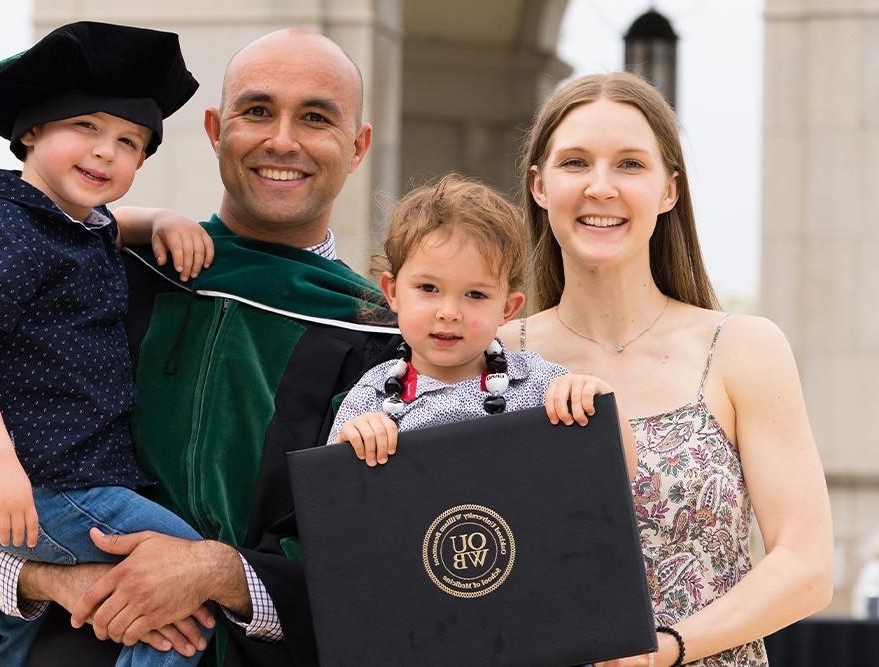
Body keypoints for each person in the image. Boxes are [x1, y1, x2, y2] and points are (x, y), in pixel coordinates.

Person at [0, 28, 398, 667]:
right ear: (214, 130)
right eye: (256, 112)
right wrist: (52, 580)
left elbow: (380, 563)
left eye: (316, 118)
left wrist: (217, 574)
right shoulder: (91, 280)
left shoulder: (383, 345)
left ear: (358, 146)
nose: (282, 140)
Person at [499, 72, 833, 667]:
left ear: (668, 190)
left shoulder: (742, 348)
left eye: (630, 165)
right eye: (575, 163)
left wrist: (664, 651)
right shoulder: (491, 358)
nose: (601, 187)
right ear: (539, 186)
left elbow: (806, 566)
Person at [0, 21, 223, 667]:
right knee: (185, 586)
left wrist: (165, 219)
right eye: (85, 127)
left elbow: (111, 227)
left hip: (65, 478)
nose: (105, 153)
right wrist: (1, 465)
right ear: (29, 130)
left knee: (17, 634)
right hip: (47, 481)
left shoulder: (68, 224)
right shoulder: (5, 230)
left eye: (129, 142)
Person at [328, 174, 637, 480]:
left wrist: (600, 400)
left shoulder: (539, 386)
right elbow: (330, 503)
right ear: (392, 292)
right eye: (428, 288)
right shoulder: (373, 397)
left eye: (475, 295)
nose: (449, 313)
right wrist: (348, 448)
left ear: (507, 308)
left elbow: (620, 477)